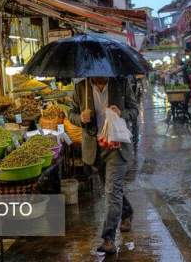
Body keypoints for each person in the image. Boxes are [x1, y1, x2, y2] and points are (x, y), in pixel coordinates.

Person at [69, 77, 138, 254]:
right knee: (111, 188)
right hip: (95, 148)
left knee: (111, 190)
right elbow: (71, 114)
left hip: (117, 146)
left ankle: (108, 238)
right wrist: (81, 118)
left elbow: (134, 110)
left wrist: (121, 112)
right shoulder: (81, 88)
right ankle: (127, 211)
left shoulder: (121, 84)